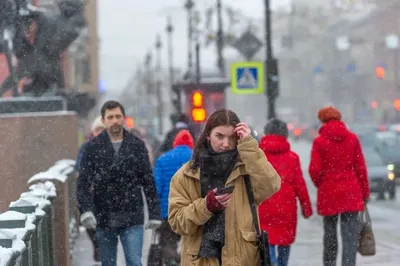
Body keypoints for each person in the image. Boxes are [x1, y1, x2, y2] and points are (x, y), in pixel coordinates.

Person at [168, 109, 281, 265]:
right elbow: (177, 223)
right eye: (219, 136)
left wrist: (249, 145)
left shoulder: (246, 170)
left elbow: (272, 184)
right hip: (200, 261)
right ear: (208, 135)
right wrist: (206, 206)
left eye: (231, 137)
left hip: (242, 260)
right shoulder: (186, 175)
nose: (226, 144)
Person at [76, 100, 161, 266]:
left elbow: (148, 181)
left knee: (134, 261)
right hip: (103, 215)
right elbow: (83, 182)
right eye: (110, 117)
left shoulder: (136, 145)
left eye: (118, 116)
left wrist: (154, 213)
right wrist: (86, 210)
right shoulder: (92, 147)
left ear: (123, 118)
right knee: (108, 263)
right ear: (103, 120)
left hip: (132, 214)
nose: (115, 120)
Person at [308, 106, 370, 266]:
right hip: (351, 193)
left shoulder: (319, 141)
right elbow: (361, 168)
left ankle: (329, 264)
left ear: (322, 120)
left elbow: (314, 170)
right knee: (350, 238)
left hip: (329, 194)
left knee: (330, 236)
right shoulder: (352, 138)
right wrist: (364, 193)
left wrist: (322, 184)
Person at [258, 118, 313, 266]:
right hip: (286, 210)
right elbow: (300, 185)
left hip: (263, 208)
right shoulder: (292, 158)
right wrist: (306, 208)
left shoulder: (259, 157)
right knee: (284, 244)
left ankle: (272, 263)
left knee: (267, 242)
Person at [153, 129, 194, 265]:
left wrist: (157, 209)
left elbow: (156, 188)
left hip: (168, 210)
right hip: (192, 209)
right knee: (191, 243)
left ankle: (172, 261)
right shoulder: (196, 158)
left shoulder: (163, 159)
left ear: (175, 144)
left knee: (168, 242)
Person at [75, 116, 105, 262]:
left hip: (107, 197)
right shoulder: (87, 147)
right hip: (90, 193)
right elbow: (80, 169)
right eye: (98, 130)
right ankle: (98, 247)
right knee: (92, 227)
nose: (100, 133)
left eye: (103, 130)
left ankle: (102, 251)